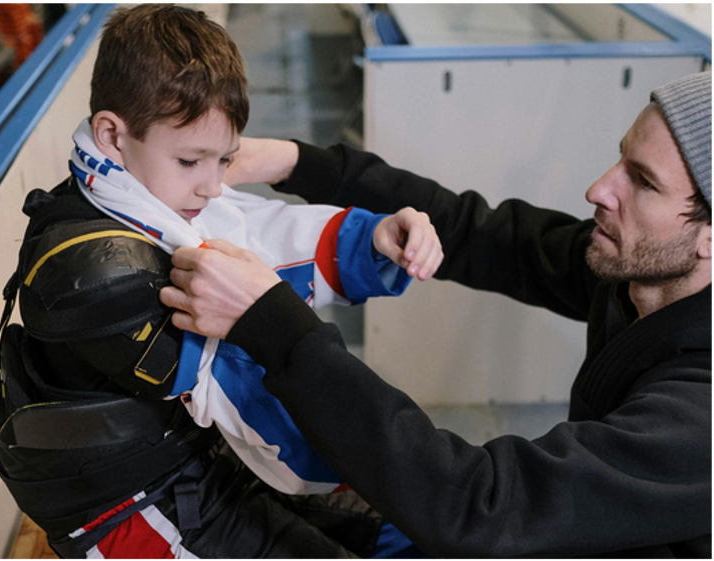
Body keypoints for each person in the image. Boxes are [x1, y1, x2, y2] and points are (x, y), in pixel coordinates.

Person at [159, 72, 714, 559]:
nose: (599, 188)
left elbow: (482, 508)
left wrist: (271, 322)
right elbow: (484, 234)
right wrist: (295, 163)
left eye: (642, 182)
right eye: (620, 158)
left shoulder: (699, 417)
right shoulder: (640, 276)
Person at [0, 5, 443, 559]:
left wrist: (371, 240)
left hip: (198, 455)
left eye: (225, 159)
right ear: (112, 133)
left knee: (411, 533)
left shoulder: (142, 188)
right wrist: (403, 469)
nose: (212, 186)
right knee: (410, 513)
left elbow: (256, 234)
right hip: (133, 511)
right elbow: (260, 402)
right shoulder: (102, 275)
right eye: (192, 160)